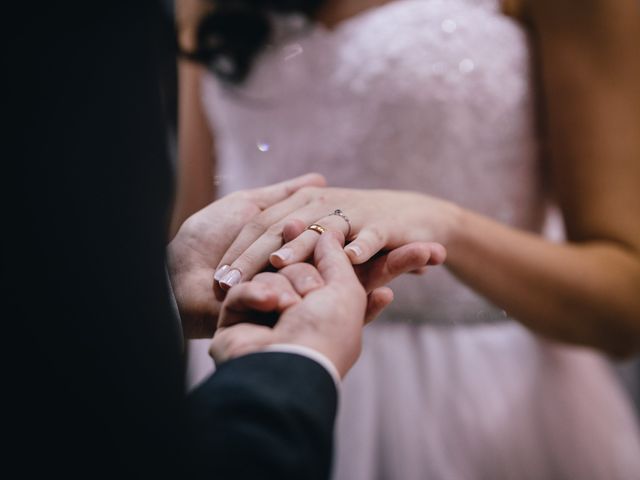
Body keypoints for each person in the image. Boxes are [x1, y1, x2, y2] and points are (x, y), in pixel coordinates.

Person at [174, 0, 640, 478]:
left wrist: (443, 222)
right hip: (253, 374)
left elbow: (624, 304)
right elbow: (194, 239)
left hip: (474, 402)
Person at [5, 1, 443, 477]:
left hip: (461, 370)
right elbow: (191, 203)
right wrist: (177, 289)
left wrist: (439, 217)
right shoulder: (203, 8)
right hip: (248, 339)